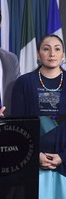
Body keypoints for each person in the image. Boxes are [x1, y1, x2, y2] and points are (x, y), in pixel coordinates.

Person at [11, 34, 66, 199]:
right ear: (37, 54)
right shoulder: (23, 83)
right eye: (46, 49)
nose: (52, 54)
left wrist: (63, 157)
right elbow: (17, 126)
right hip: (32, 162)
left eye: (57, 49)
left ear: (63, 54)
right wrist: (35, 155)